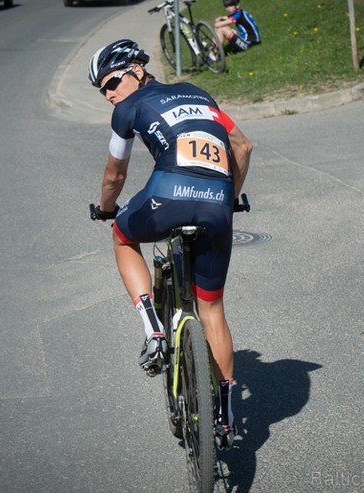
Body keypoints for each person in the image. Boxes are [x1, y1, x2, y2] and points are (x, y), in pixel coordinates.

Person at [89, 39, 252, 449]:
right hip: (218, 203)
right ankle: (228, 417)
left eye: (112, 82)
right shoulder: (200, 94)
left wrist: (107, 209)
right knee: (211, 307)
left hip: (169, 194)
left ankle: (154, 330)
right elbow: (243, 146)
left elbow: (114, 175)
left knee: (123, 235)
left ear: (138, 69)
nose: (109, 94)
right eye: (102, 90)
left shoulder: (127, 110)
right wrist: (230, 199)